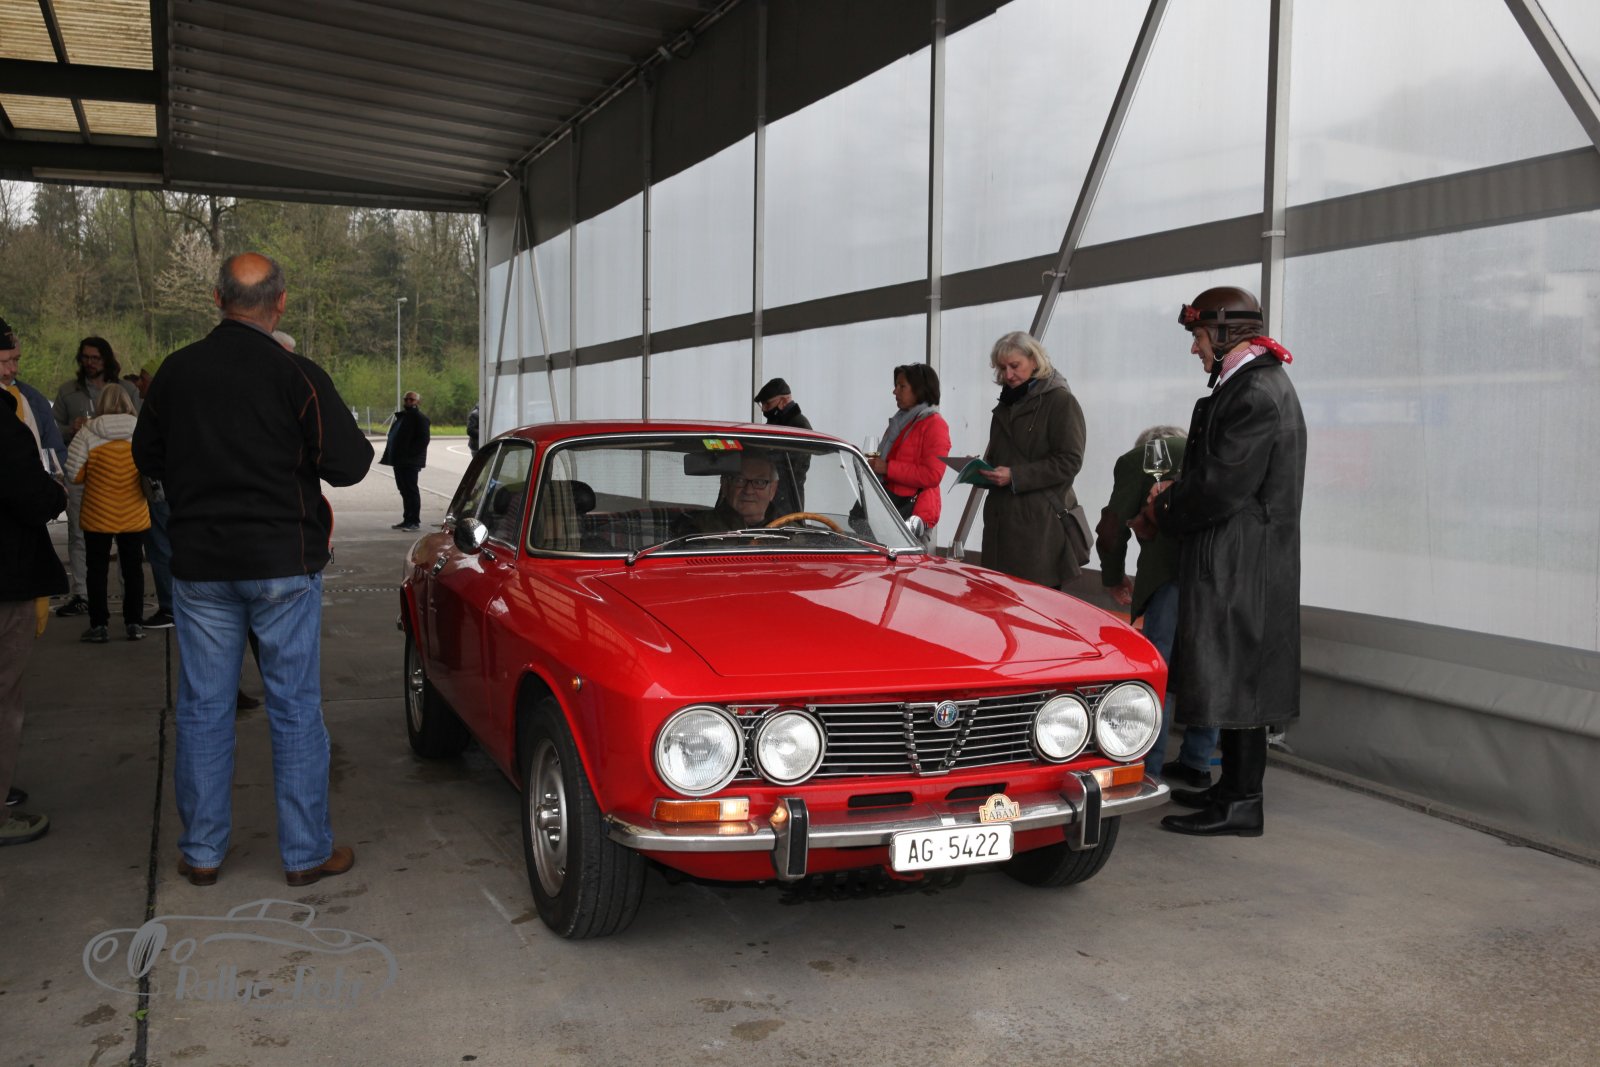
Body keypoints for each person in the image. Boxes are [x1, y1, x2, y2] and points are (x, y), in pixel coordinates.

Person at [132, 251, 373, 887]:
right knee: (294, 709)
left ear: (217, 299)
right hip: (281, 565)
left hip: (201, 566)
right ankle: (305, 854)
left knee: (204, 709)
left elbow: (146, 455)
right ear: (281, 302)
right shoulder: (296, 374)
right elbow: (350, 464)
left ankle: (202, 853)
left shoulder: (176, 373)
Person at [1147, 286, 1306, 838]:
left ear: (1223, 332)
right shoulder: (1253, 384)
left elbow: (1222, 485)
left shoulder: (1254, 391)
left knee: (1241, 678)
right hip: (1243, 557)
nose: (1194, 347)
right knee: (1241, 676)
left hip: (1241, 561)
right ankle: (1233, 788)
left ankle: (1242, 801)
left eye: (1198, 336)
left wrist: (1165, 505)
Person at [1096, 425, 1218, 786]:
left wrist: (1113, 577)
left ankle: (1147, 766)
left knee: (1156, 669)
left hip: (1170, 574)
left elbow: (1112, 528)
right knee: (1208, 666)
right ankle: (1197, 762)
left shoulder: (1139, 459)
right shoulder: (1208, 450)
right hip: (1217, 575)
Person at [1, 389, 68, 843]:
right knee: (4, 695)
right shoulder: (5, 427)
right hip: (6, 578)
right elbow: (30, 495)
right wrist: (55, 492)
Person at [978, 331, 1087, 588]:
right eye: (1002, 368)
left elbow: (1070, 460)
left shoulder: (1061, 401)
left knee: (1036, 605)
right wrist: (982, 470)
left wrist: (1015, 476)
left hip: (1039, 532)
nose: (1008, 375)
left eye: (1015, 366)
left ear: (1035, 361)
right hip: (1001, 527)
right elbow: (1001, 456)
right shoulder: (1005, 405)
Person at [51, 337, 140, 618]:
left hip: (124, 481)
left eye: (95, 358)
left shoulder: (127, 389)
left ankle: (129, 605)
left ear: (107, 359)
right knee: (78, 535)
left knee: (127, 548)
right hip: (84, 473)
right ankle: (82, 595)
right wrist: (71, 429)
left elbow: (142, 429)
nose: (89, 363)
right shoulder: (68, 391)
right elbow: (53, 429)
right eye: (85, 357)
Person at [65, 384, 150, 643]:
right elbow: (152, 466)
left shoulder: (88, 432)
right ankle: (134, 623)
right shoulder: (141, 431)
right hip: (133, 511)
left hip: (98, 512)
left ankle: (99, 625)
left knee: (97, 569)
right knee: (133, 568)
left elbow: (74, 474)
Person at [867, 363, 951, 531]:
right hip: (890, 508)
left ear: (919, 390)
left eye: (902, 386)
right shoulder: (901, 421)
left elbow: (932, 475)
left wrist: (887, 468)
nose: (895, 391)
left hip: (912, 515)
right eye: (896, 386)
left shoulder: (934, 424)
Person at [0, 319, 68, 470]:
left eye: (15, 360)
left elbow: (56, 454)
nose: (12, 369)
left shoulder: (33, 400)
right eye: (4, 361)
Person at [682, 452, 782, 533]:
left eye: (759, 482)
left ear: (772, 489)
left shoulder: (789, 530)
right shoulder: (697, 530)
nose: (748, 491)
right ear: (725, 485)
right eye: (740, 480)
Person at [753, 378, 811, 517]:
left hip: (787, 501)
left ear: (784, 401)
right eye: (762, 405)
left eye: (767, 404)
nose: (764, 410)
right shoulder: (776, 423)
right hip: (770, 496)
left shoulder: (799, 425)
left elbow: (794, 464)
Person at [381, 390, 430, 532]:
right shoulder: (403, 417)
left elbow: (423, 440)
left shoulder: (420, 418)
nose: (408, 401)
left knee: (411, 490)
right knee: (403, 490)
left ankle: (414, 521)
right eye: (406, 399)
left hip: (410, 462)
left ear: (417, 402)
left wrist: (410, 454)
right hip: (399, 460)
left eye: (411, 399)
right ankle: (407, 519)